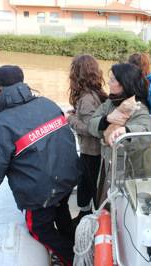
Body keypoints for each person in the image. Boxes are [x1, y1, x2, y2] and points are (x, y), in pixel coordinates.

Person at [0, 65, 79, 266]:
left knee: (39, 228)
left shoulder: (2, 124)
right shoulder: (47, 104)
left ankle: (70, 259)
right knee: (62, 212)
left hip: (41, 192)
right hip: (66, 178)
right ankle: (74, 243)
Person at [89, 63, 151, 203]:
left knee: (125, 209)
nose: (108, 83)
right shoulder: (110, 103)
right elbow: (91, 123)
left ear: (124, 84)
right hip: (109, 167)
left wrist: (126, 131)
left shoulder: (138, 106)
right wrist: (106, 119)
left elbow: (147, 131)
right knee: (106, 204)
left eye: (113, 80)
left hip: (131, 172)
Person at [66, 55, 107, 221]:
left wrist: (71, 119)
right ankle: (86, 213)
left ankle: (84, 216)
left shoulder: (87, 99)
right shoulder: (97, 94)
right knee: (88, 184)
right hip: (97, 151)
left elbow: (91, 128)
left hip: (91, 151)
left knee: (85, 184)